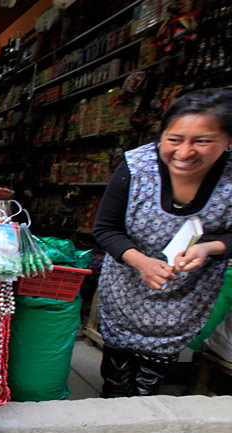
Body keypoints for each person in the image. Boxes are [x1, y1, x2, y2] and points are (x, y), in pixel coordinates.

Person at [93, 88, 232, 397]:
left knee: (154, 369)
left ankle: (142, 410)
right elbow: (105, 229)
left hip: (187, 290)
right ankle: (114, 406)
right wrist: (141, 261)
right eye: (174, 139)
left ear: (228, 141)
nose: (184, 153)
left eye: (202, 141)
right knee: (117, 364)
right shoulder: (137, 166)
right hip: (127, 284)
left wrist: (210, 247)